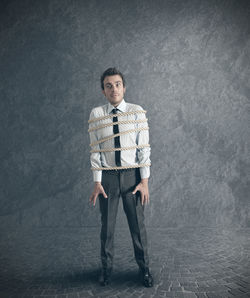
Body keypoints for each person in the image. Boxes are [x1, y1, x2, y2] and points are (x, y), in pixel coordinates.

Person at [88, 67, 153, 287]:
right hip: (107, 179)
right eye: (108, 86)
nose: (114, 89)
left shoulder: (137, 112)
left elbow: (144, 149)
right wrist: (97, 182)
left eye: (117, 84)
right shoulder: (97, 114)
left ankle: (144, 270)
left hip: (132, 178)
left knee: (137, 227)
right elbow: (95, 151)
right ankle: (106, 270)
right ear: (103, 91)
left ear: (124, 87)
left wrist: (144, 182)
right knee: (107, 228)